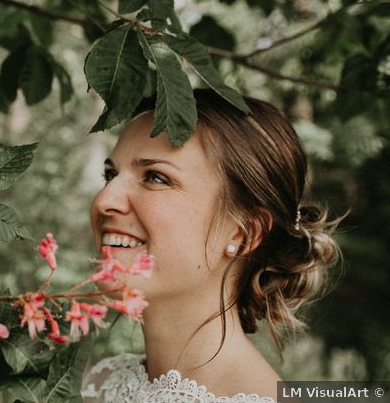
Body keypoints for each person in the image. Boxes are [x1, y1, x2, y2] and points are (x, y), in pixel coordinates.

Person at [80, 90, 341, 402]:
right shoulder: (103, 381)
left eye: (156, 177)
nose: (104, 200)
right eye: (110, 175)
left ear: (243, 234)